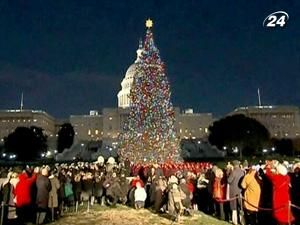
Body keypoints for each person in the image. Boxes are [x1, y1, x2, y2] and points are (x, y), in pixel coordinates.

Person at [227, 160, 244, 225]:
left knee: (234, 207)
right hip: (240, 191)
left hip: (233, 191)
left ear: (234, 165)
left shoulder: (233, 172)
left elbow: (229, 181)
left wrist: (228, 173)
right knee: (240, 206)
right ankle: (242, 220)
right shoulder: (242, 171)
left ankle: (235, 221)